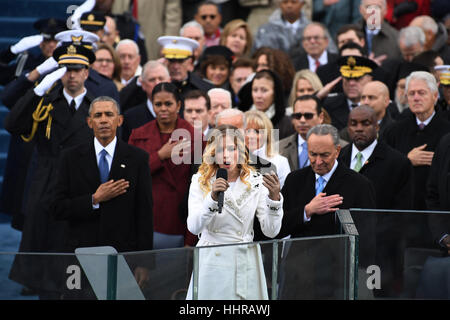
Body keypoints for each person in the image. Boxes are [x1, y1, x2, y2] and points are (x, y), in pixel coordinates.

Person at [5, 43, 96, 299]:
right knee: (46, 273)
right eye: (66, 69)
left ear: (87, 72)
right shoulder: (45, 101)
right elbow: (12, 124)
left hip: (81, 189)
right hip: (47, 186)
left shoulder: (97, 104)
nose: (72, 75)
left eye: (77, 69)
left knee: (77, 273)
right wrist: (38, 90)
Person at [52, 96, 154, 298]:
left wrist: (144, 262)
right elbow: (56, 207)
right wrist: (94, 199)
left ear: (120, 120)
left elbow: (144, 213)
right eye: (98, 115)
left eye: (109, 114)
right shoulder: (70, 158)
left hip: (123, 255)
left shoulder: (138, 158)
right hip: (80, 255)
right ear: (89, 122)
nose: (104, 120)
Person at [185, 124, 283, 299]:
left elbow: (271, 231)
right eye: (221, 149)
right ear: (212, 152)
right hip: (212, 261)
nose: (226, 155)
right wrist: (212, 198)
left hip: (247, 261)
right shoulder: (200, 181)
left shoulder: (256, 181)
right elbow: (194, 227)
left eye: (232, 148)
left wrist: (274, 199)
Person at [278, 124, 376, 298]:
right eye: (313, 154)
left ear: (337, 151)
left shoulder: (358, 184)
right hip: (299, 275)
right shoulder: (295, 180)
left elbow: (367, 235)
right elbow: (279, 226)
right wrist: (307, 211)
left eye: (324, 155)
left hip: (337, 277)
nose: (317, 161)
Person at [339, 105, 414, 297]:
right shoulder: (339, 158)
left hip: (381, 255)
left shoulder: (397, 163)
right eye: (353, 123)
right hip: (341, 252)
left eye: (366, 123)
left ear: (377, 126)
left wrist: (369, 237)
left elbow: (402, 213)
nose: (359, 128)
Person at [128, 82, 202, 249]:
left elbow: (200, 186)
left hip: (179, 219)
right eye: (158, 104)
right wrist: (160, 155)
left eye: (168, 104)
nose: (163, 108)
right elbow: (130, 175)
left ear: (178, 105)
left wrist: (191, 239)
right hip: (145, 217)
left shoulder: (195, 137)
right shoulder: (138, 134)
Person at [384, 71, 450, 211]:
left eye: (421, 93)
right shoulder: (393, 131)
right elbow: (383, 171)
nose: (416, 98)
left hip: (439, 213)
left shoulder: (447, 131)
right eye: (411, 93)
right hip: (403, 212)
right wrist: (406, 160)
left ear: (435, 96)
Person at [279, 94, 348, 171]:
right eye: (298, 116)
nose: (302, 120)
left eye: (308, 115)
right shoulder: (278, 148)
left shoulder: (344, 148)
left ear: (321, 117)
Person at [0, 17, 66, 85]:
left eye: (56, 41)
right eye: (47, 41)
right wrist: (11, 51)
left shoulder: (70, 65)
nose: (51, 45)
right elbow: (2, 78)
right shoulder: (28, 63)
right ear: (40, 44)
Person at [323, 55, 379, 130]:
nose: (351, 83)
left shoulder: (380, 105)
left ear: (370, 80)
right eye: (347, 78)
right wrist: (319, 96)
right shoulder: (329, 104)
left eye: (357, 78)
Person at [121, 60, 171, 142]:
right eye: (152, 80)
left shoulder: (183, 111)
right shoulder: (130, 118)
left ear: (169, 81)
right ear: (143, 84)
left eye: (161, 79)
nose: (157, 83)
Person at [238, 69, 295, 140]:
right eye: (255, 90)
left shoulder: (287, 124)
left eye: (264, 90)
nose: (258, 96)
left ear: (274, 93)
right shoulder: (241, 119)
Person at [158, 36, 214, 102]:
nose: (176, 67)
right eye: (171, 61)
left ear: (190, 63)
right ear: (165, 62)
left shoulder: (205, 88)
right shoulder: (156, 85)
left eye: (180, 61)